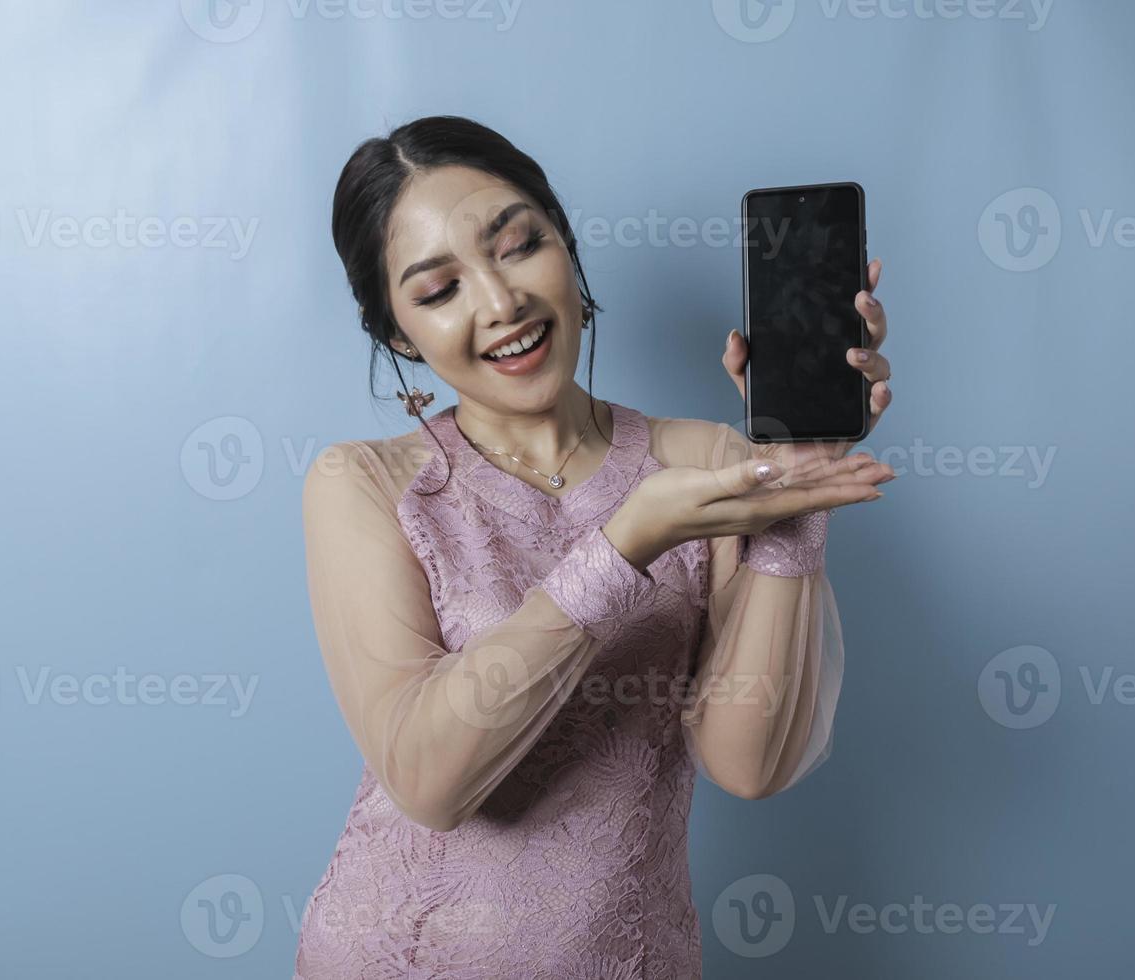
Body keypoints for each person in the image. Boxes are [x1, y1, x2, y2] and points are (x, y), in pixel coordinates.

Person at [295, 114, 895, 979]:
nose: (500, 304)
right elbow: (427, 780)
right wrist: (623, 546)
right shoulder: (364, 485)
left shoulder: (707, 464)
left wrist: (795, 494)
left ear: (566, 248)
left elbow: (748, 763)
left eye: (518, 245)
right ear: (396, 334)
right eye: (437, 291)